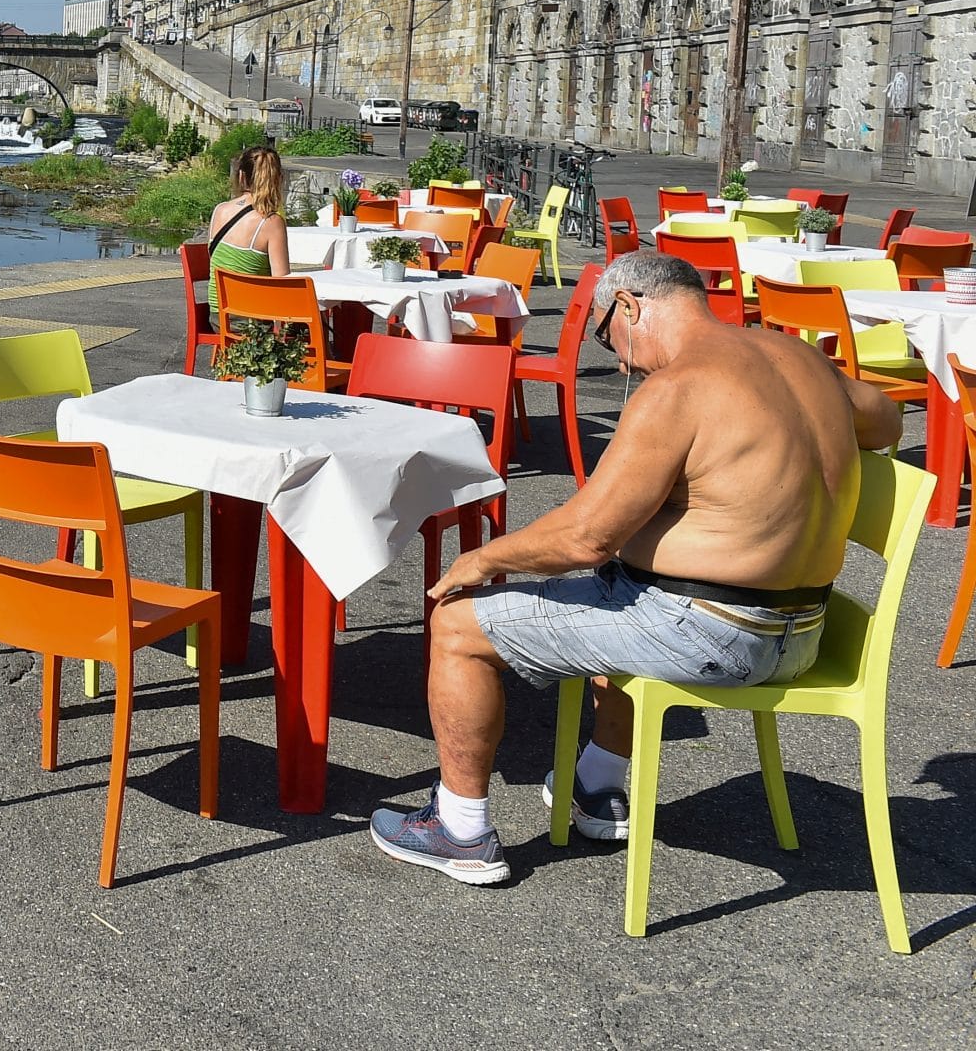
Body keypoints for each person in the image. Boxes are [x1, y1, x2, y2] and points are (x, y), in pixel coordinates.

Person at [371, 249, 900, 884]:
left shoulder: (676, 389)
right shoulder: (800, 357)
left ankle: (459, 830)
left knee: (459, 626)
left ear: (630, 305)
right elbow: (888, 421)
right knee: (616, 591)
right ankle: (597, 787)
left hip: (714, 632)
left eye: (607, 336)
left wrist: (483, 559)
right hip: (804, 633)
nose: (616, 358)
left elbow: (588, 536)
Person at [203, 145, 291, 321]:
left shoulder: (219, 210)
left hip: (217, 315)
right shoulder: (271, 222)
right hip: (253, 322)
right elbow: (283, 284)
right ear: (278, 179)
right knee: (316, 323)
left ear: (241, 176)